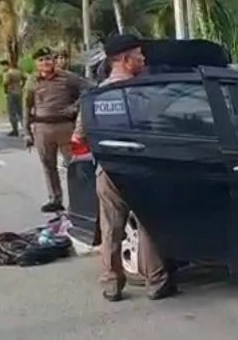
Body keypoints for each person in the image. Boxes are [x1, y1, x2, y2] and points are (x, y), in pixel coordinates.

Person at [75, 34, 175, 302]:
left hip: (108, 170)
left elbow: (79, 137)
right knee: (148, 223)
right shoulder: (142, 93)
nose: (144, 59)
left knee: (111, 228)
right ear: (126, 60)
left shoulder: (94, 97)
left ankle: (112, 284)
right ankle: (156, 281)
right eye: (139, 55)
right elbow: (162, 127)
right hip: (140, 169)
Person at [25, 48, 86, 212]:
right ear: (36, 64)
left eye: (48, 59)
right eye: (41, 60)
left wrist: (75, 106)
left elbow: (88, 89)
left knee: (73, 165)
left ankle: (78, 201)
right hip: (42, 128)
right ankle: (55, 199)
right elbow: (27, 106)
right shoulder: (32, 81)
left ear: (53, 61)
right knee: (48, 165)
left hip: (65, 127)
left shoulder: (67, 78)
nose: (45, 62)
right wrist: (27, 132)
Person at [0, 59, 25, 137]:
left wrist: (5, 90)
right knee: (20, 111)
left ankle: (15, 130)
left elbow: (5, 83)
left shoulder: (8, 73)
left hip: (11, 93)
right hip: (19, 92)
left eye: (2, 66)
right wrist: (22, 86)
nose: (2, 68)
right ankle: (25, 129)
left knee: (12, 112)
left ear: (6, 65)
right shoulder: (18, 71)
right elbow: (25, 78)